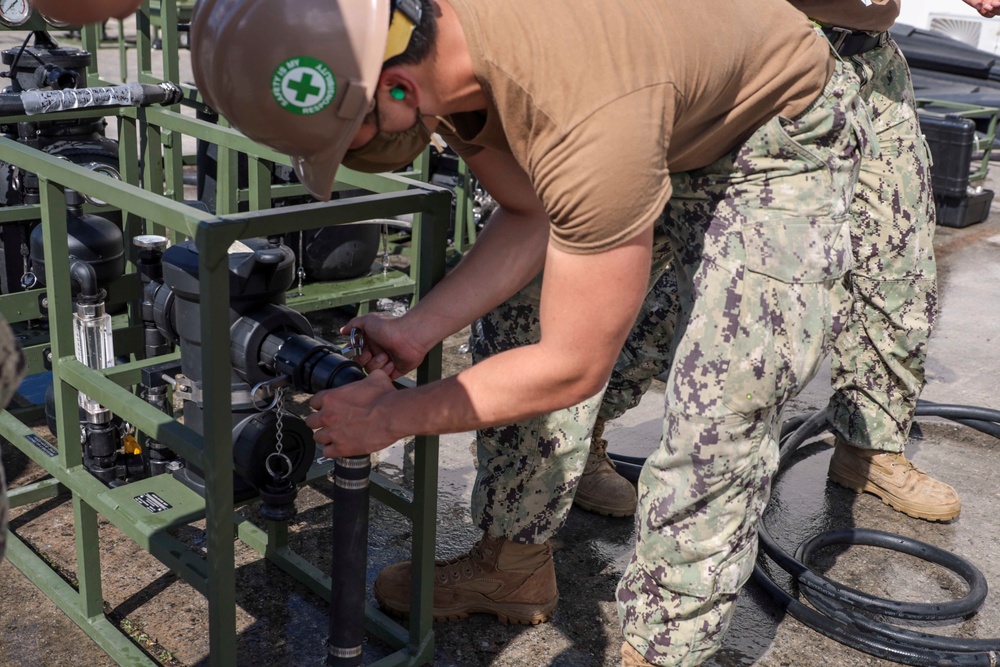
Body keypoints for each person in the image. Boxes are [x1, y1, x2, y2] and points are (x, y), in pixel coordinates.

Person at [191, 0, 868, 664]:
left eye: (351, 141)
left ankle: (663, 649)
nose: (356, 158)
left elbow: (573, 363)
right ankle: (512, 564)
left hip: (767, 131)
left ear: (396, 90)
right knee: (522, 315)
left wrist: (392, 417)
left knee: (723, 398)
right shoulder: (432, 47)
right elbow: (530, 210)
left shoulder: (579, 112)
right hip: (643, 112)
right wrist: (418, 329)